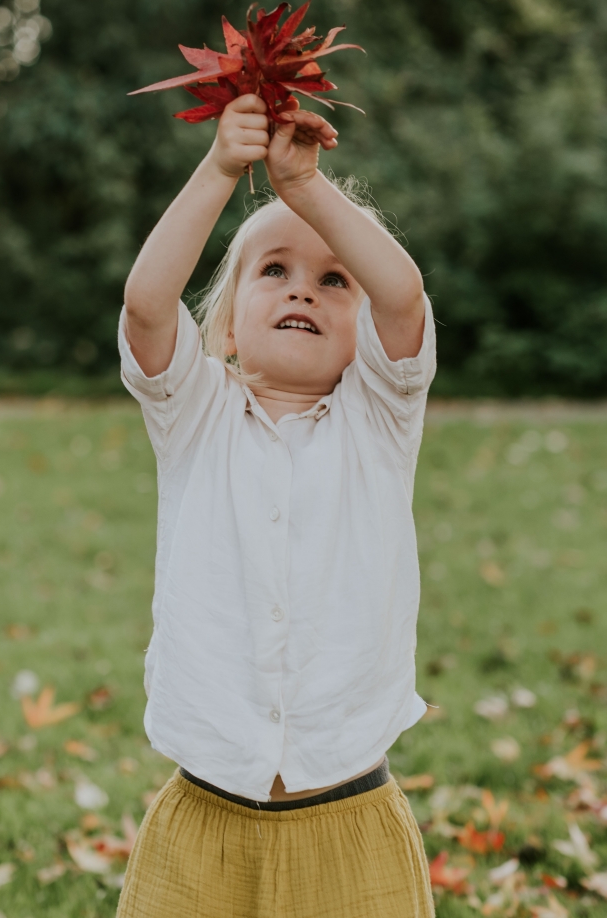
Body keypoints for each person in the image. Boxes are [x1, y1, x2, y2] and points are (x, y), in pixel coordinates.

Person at [116, 92, 436, 918]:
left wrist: (302, 189)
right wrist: (225, 167)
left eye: (334, 280)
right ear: (224, 326)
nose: (304, 290)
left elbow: (402, 297)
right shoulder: (195, 413)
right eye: (274, 271)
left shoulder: (380, 417)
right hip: (206, 814)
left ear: (361, 333)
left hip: (349, 815)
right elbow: (149, 306)